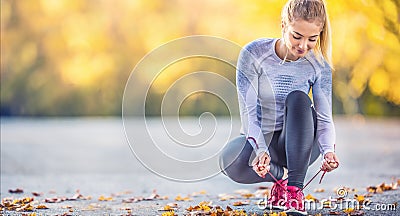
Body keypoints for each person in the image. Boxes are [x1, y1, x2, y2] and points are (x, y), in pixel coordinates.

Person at [219, 0, 339, 215]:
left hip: (300, 144)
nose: (303, 46)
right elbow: (248, 114)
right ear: (284, 26)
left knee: (299, 99)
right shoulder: (254, 53)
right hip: (265, 139)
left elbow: (324, 118)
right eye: (297, 36)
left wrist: (328, 150)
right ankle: (281, 177)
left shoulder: (319, 65)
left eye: (312, 39)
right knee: (230, 160)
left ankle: (294, 190)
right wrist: (260, 150)